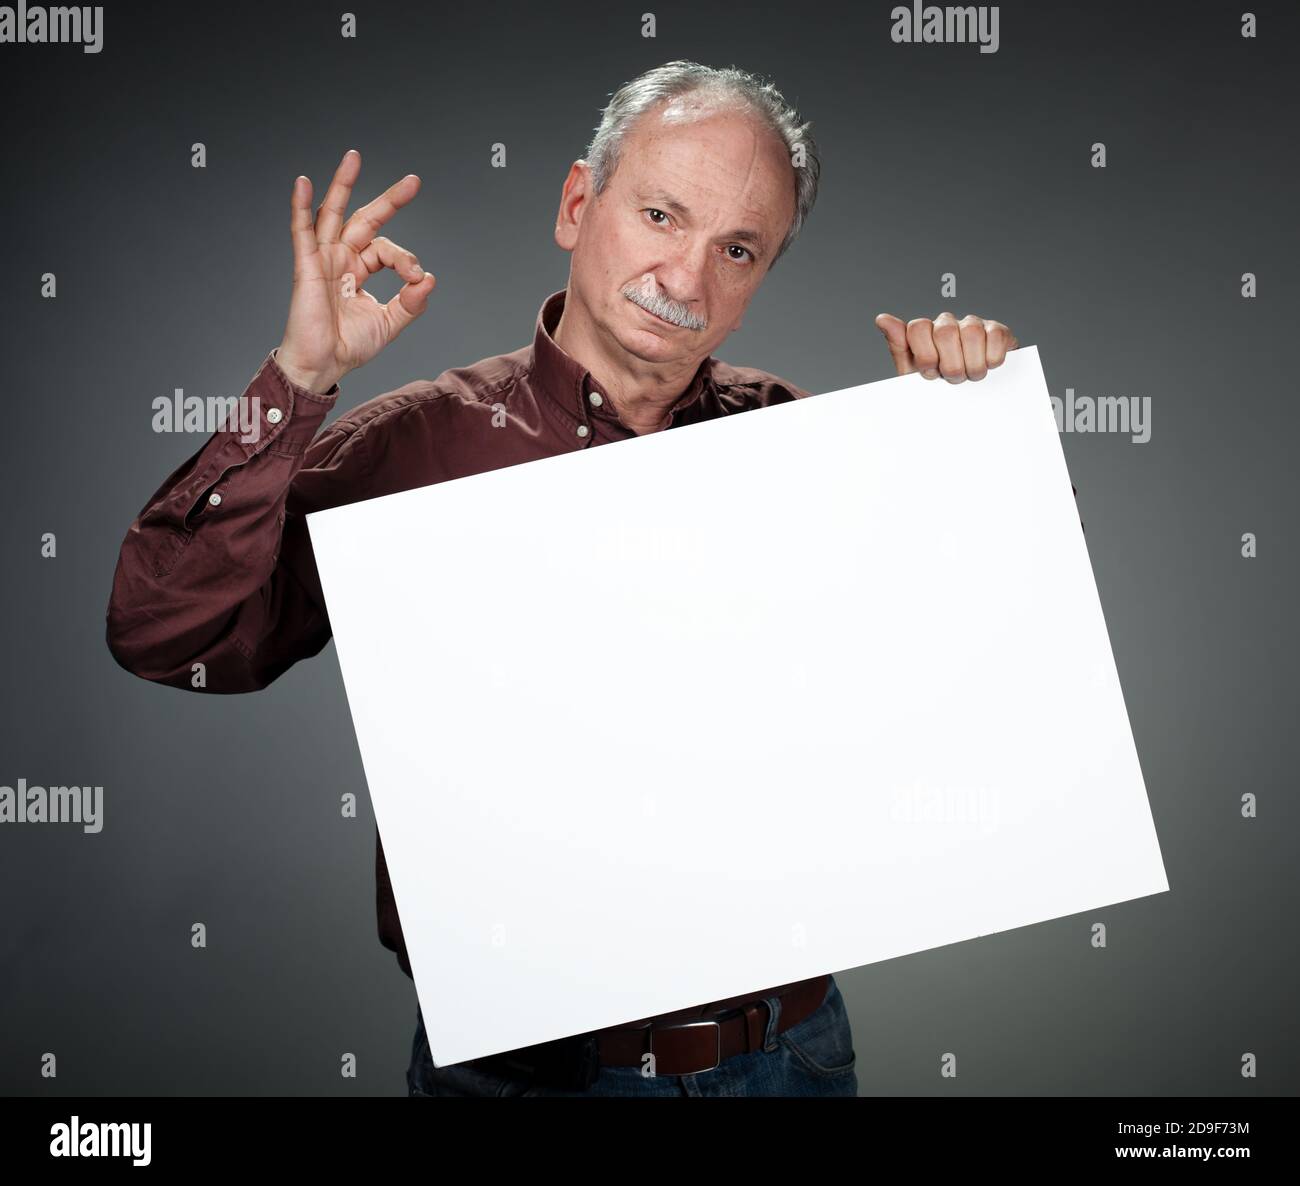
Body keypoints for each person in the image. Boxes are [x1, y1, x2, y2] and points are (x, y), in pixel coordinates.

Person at [106, 59, 1019, 1097]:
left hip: (788, 1057)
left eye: (736, 248)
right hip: (517, 1079)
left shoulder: (793, 443)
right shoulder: (410, 447)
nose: (685, 279)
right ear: (578, 204)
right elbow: (162, 635)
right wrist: (298, 380)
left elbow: (983, 671)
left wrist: (975, 451)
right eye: (661, 215)